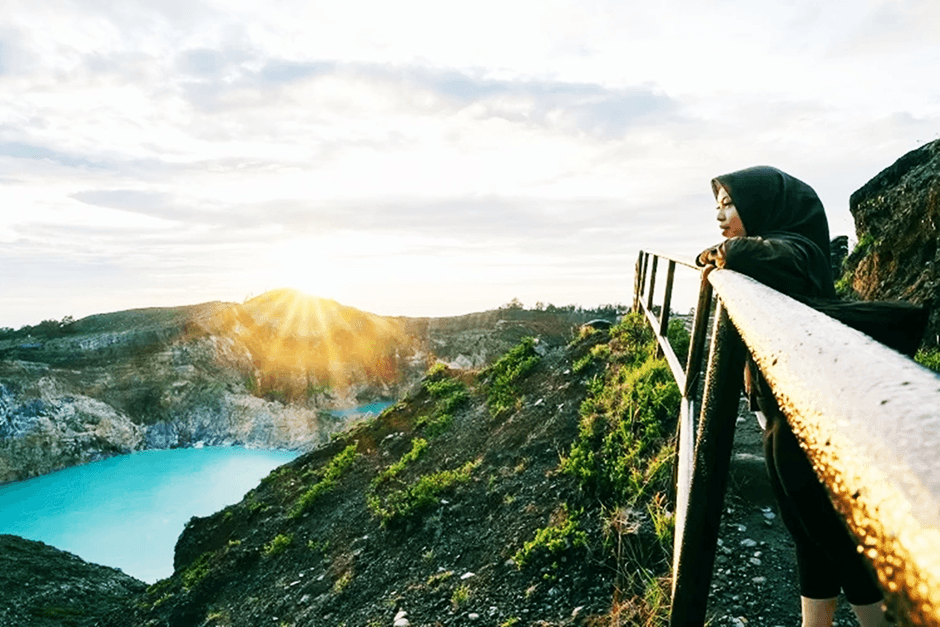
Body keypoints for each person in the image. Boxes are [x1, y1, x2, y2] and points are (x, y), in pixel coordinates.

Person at [695, 166, 900, 627]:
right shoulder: (780, 247)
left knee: (832, 536)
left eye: (729, 204)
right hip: (784, 411)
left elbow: (772, 257)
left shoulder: (800, 249)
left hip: (808, 415)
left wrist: (724, 251)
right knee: (806, 532)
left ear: (765, 204)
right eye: (718, 206)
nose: (720, 215)